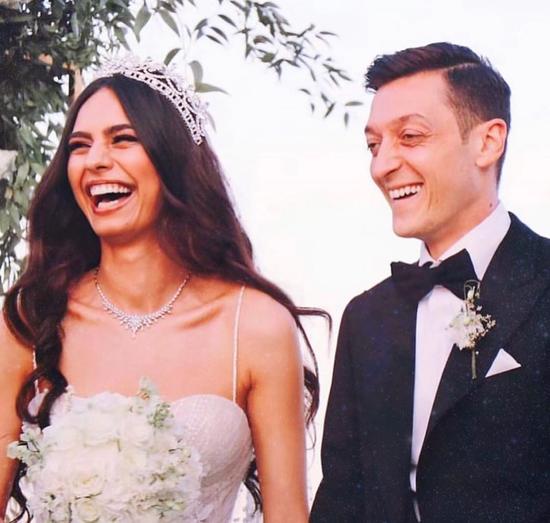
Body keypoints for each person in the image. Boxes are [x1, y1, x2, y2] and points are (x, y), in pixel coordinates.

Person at [0, 56, 323, 523]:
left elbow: (288, 514)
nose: (96, 161)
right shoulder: (31, 320)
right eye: (79, 145)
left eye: (123, 139)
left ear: (172, 158)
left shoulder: (255, 326)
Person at [311, 42, 550, 523]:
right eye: (374, 145)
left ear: (488, 142)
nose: (382, 165)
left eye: (410, 137)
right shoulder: (366, 317)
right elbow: (342, 498)